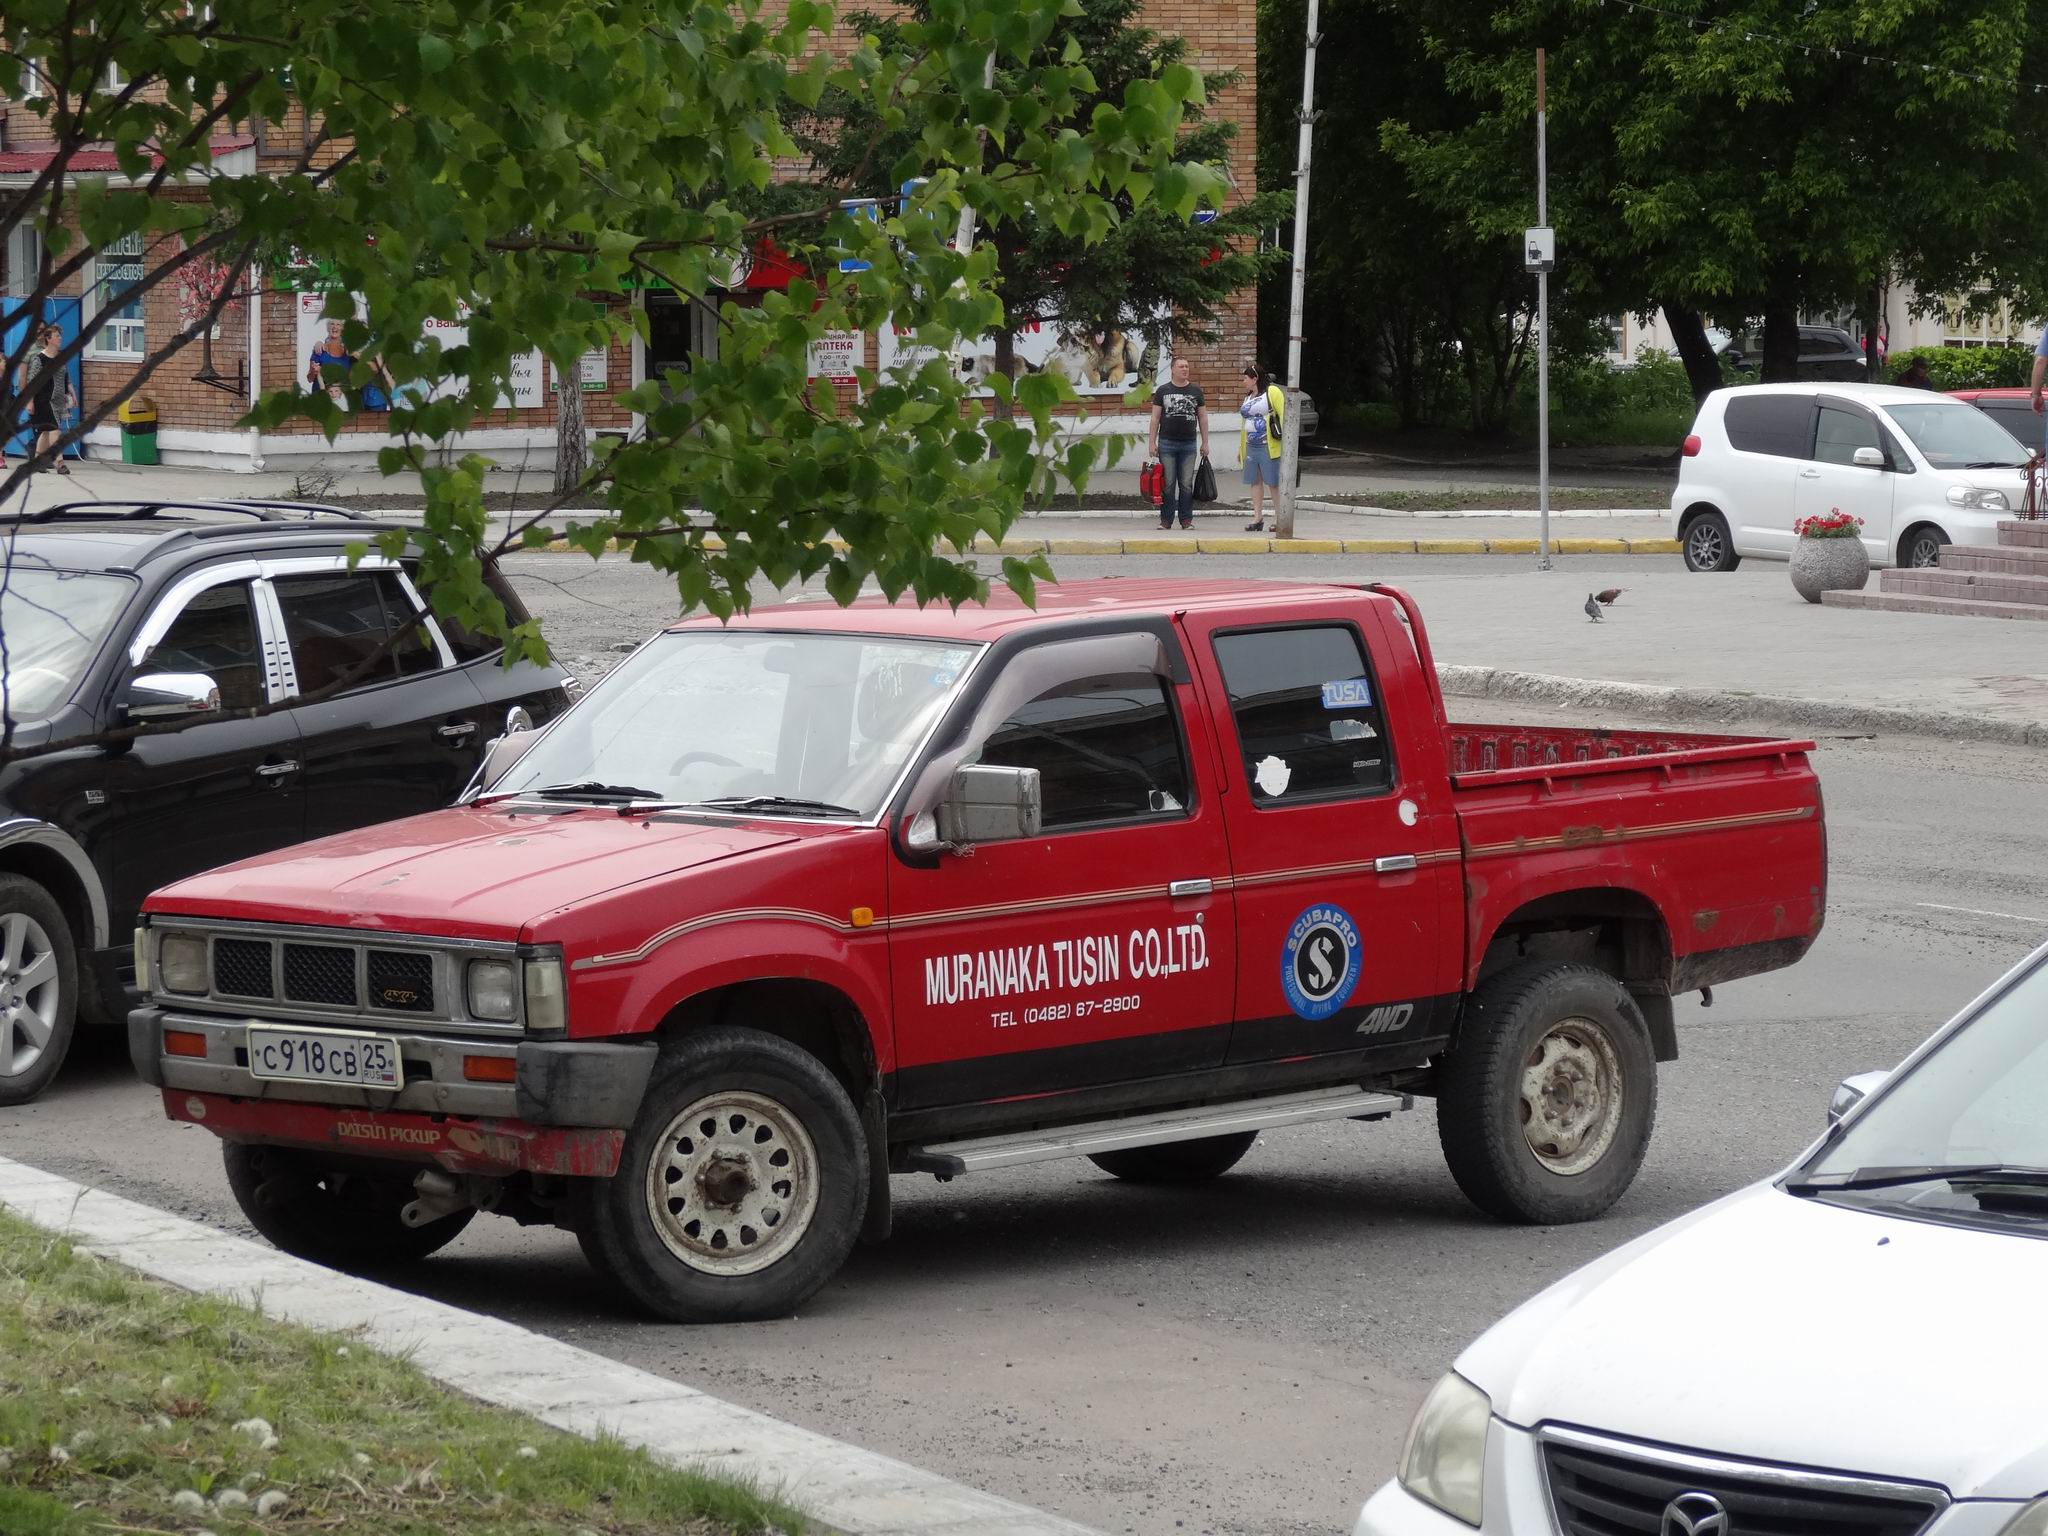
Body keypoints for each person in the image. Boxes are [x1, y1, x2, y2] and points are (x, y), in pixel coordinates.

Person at [1148, 356, 1208, 531]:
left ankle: (1186, 520)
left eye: (1187, 366)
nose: (1185, 369)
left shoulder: (1196, 391)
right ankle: (1166, 520)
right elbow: (1155, 418)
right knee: (1168, 484)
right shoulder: (1163, 391)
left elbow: (1203, 417)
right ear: (1172, 369)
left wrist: (1205, 442)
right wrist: (1152, 442)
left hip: (1189, 444)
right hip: (1167, 443)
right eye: (1181, 366)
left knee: (1186, 484)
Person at [1238, 363, 1287, 532]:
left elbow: (1284, 415)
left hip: (1268, 445)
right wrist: (1241, 448)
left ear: (1255, 378)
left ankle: (1280, 517)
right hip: (1251, 445)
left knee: (1273, 482)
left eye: (1246, 378)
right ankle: (1257, 517)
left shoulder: (1272, 392)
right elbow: (1244, 423)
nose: (1243, 381)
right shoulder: (1249, 396)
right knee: (1254, 481)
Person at [19, 325, 71, 476]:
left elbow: (65, 378)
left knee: (45, 432)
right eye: (57, 336)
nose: (60, 338)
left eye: (60, 335)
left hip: (58, 400)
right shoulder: (39, 359)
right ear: (49, 339)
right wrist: (30, 402)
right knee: (54, 429)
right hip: (44, 400)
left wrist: (70, 395)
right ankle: (59, 462)